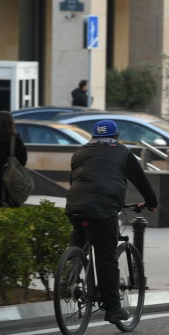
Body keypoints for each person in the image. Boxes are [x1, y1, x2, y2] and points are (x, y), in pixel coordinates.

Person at [65, 120, 158, 322]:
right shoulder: (122, 152)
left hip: (75, 205)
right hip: (103, 209)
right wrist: (151, 202)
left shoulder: (79, 152)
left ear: (93, 137)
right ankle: (113, 309)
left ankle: (69, 277)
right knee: (106, 255)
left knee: (78, 239)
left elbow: (75, 180)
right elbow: (141, 180)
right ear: (116, 136)